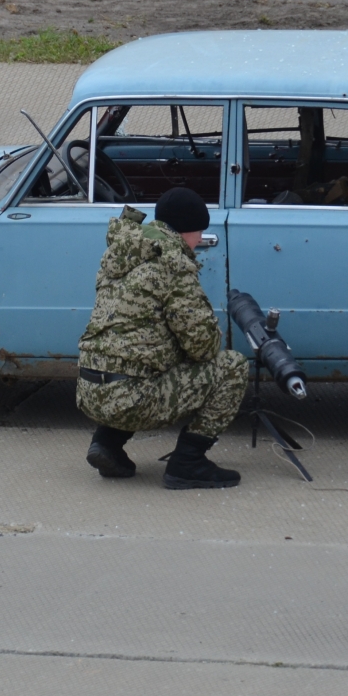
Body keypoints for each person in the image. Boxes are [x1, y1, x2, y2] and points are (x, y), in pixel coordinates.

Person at [77, 187, 250, 489]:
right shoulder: (173, 265)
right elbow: (203, 346)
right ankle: (188, 463)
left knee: (139, 357)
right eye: (199, 233)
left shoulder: (121, 255)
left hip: (89, 393)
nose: (199, 242)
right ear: (186, 231)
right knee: (232, 365)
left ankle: (107, 444)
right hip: (129, 402)